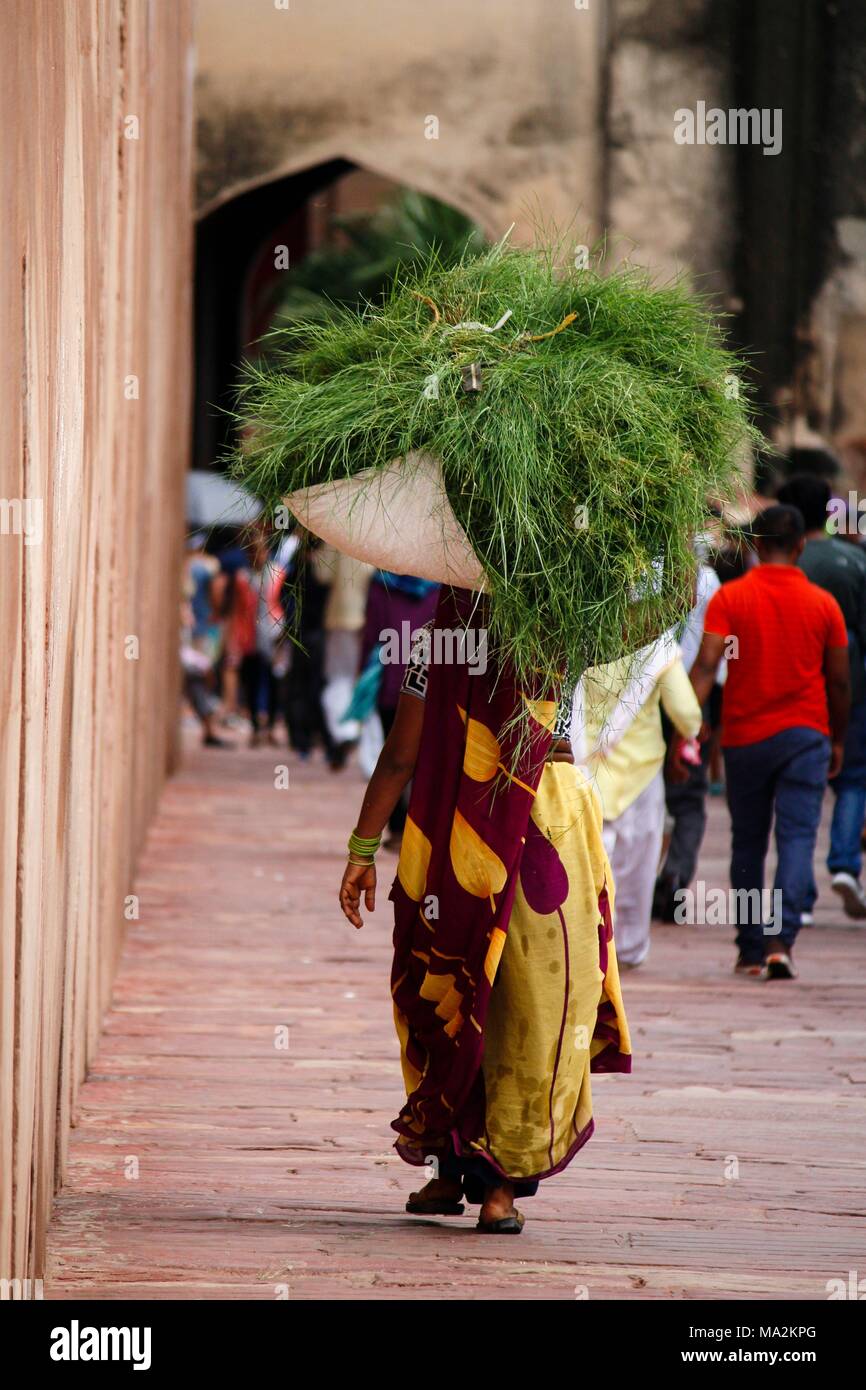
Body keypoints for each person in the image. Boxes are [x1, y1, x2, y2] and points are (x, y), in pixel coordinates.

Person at [338, 587, 630, 1234]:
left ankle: (447, 1171)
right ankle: (500, 1190)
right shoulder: (567, 629)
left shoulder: (435, 643)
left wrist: (363, 848)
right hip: (542, 831)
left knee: (448, 987)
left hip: (455, 833)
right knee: (531, 1007)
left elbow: (400, 756)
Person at [689, 505, 850, 979]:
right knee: (798, 837)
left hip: (744, 738)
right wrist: (837, 740)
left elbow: (704, 665)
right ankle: (782, 942)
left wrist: (688, 724)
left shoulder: (731, 598)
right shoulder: (824, 605)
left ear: (758, 546)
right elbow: (839, 682)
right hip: (806, 737)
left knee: (749, 842)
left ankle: (749, 948)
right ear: (801, 546)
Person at [578, 636, 702, 968]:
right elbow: (688, 714)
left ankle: (588, 947)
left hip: (586, 771)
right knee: (638, 868)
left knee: (589, 868)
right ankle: (628, 949)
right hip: (640, 775)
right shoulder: (656, 647)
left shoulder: (576, 633)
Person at [776, 473, 866, 919]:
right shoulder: (855, 560)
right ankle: (846, 863)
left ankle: (799, 897)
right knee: (852, 780)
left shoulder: (783, 564)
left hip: (793, 693)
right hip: (852, 686)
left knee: (797, 798)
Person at [654, 553, 724, 920]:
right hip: (692, 695)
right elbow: (711, 663)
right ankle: (674, 879)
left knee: (650, 795)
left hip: (645, 698)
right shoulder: (708, 580)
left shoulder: (638, 569)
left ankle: (650, 882)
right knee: (688, 799)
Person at [357, 571, 440, 845]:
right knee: (424, 758)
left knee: (394, 753)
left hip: (392, 680)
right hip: (429, 686)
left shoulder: (382, 583)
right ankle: (416, 826)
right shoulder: (443, 585)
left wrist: (363, 674)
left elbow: (372, 632)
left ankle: (396, 828)